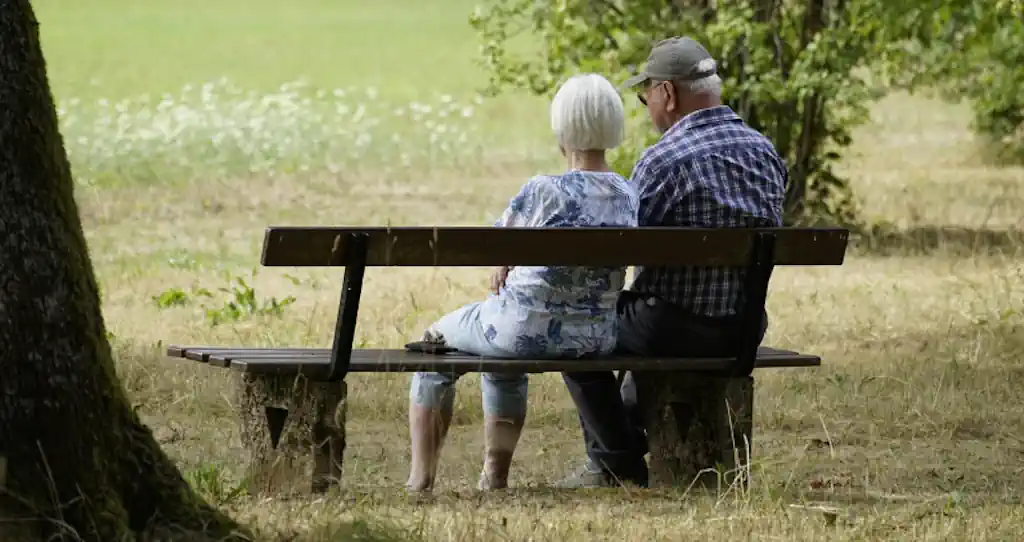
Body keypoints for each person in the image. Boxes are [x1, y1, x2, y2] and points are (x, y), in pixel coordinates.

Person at [556, 37, 788, 488]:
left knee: (575, 329)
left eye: (646, 98)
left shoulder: (663, 160)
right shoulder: (765, 152)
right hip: (743, 327)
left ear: (667, 93)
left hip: (672, 327)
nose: (647, 108)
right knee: (638, 317)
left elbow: (621, 248)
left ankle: (616, 462)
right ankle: (621, 451)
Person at [405, 73, 639, 493]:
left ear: (561, 127)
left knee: (434, 345)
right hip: (593, 338)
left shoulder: (543, 191)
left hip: (521, 330)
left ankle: (420, 480)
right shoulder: (628, 194)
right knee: (500, 358)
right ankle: (493, 476)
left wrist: (503, 261)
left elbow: (495, 245)